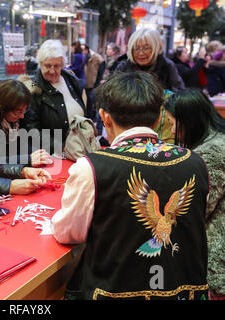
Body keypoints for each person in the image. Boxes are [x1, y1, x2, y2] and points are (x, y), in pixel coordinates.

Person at [51, 71, 210, 300]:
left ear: (104, 117)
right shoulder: (196, 163)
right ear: (157, 119)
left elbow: (69, 233)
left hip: (113, 291)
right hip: (184, 292)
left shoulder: (92, 167)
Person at [163, 89, 225, 299]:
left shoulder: (211, 153)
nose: (171, 130)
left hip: (217, 259)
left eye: (173, 123)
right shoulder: (215, 141)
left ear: (187, 121)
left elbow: (199, 207)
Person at [21, 39, 87, 154]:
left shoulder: (72, 80)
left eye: (56, 66)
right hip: (54, 155)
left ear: (63, 64)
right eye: (47, 66)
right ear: (40, 64)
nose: (52, 71)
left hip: (79, 149)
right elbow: (32, 131)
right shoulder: (32, 89)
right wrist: (62, 148)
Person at [0, 78, 54, 167]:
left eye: (25, 110)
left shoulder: (12, 118)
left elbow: (19, 144)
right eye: (17, 113)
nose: (22, 116)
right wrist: (28, 159)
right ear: (1, 108)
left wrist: (38, 154)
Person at [115, 28, 185, 92]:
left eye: (146, 48)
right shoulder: (124, 66)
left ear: (156, 48)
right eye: (136, 48)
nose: (141, 53)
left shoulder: (167, 65)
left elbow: (179, 93)